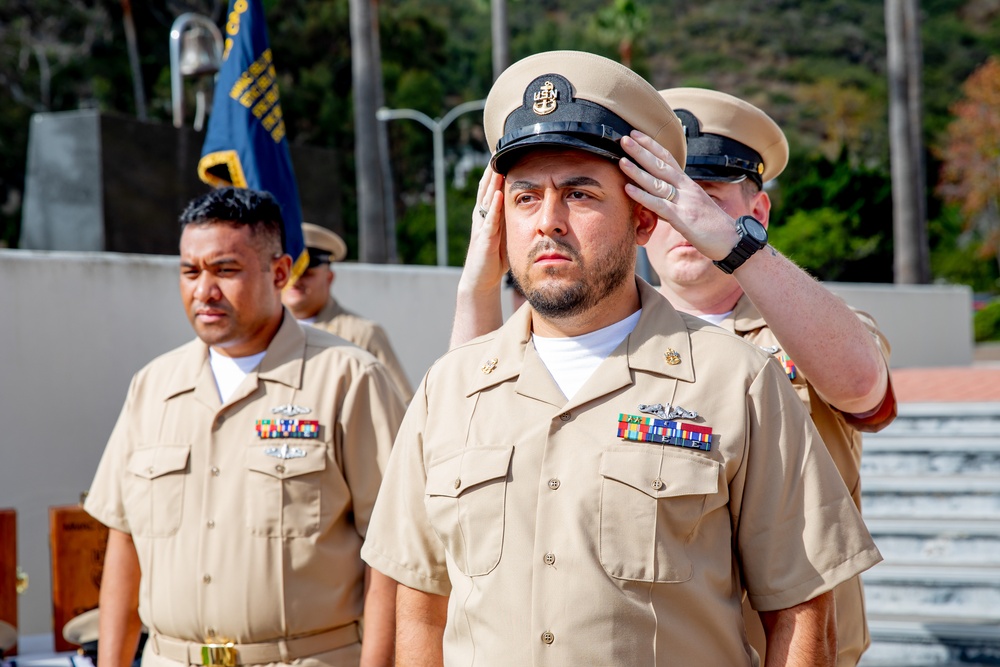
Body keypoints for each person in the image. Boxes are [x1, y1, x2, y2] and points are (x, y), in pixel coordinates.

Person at [362, 50, 882, 666]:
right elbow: (423, 605)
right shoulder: (447, 388)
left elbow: (802, 611)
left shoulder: (739, 379)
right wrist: (475, 285)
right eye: (526, 198)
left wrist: (737, 248)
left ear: (642, 217)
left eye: (579, 194)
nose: (548, 222)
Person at [84, 187, 405, 667]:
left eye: (225, 270)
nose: (203, 291)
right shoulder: (152, 387)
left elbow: (394, 552)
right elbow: (124, 545)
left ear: (279, 272)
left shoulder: (348, 378)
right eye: (190, 272)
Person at [282, 223, 413, 403]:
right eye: (291, 272)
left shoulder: (362, 334)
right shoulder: (263, 333)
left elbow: (400, 403)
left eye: (306, 273)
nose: (295, 281)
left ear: (329, 278)